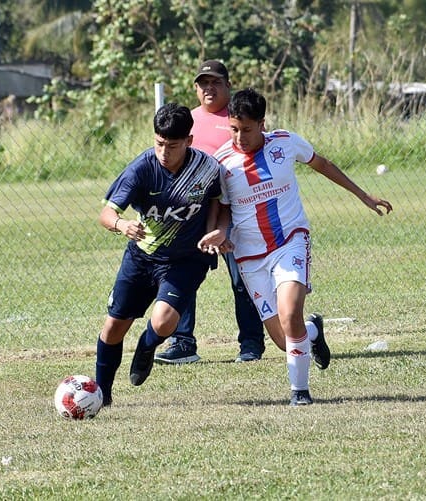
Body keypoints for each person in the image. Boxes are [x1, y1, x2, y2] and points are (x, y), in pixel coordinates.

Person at [199, 88, 393, 406]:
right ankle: (313, 331)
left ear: (262, 124)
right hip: (249, 256)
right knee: (282, 339)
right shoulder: (222, 162)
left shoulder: (285, 142)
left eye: (246, 129)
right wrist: (216, 234)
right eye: (234, 128)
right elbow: (221, 209)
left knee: (290, 317)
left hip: (290, 241)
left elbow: (323, 164)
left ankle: (300, 394)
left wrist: (363, 195)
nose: (239, 137)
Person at [94, 103, 222, 406]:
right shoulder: (141, 169)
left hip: (188, 258)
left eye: (172, 145)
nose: (164, 151)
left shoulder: (207, 168)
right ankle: (102, 394)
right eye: (159, 143)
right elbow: (106, 214)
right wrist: (121, 224)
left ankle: (147, 346)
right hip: (142, 257)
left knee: (163, 322)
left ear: (189, 141)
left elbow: (218, 199)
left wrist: (215, 229)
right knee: (113, 327)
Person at [154, 60, 268, 365]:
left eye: (215, 82)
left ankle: (251, 344)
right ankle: (182, 343)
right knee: (182, 278)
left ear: (228, 86)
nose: (209, 88)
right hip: (191, 215)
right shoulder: (187, 120)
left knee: (242, 279)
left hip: (235, 212)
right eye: (203, 83)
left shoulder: (237, 118)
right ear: (195, 88)